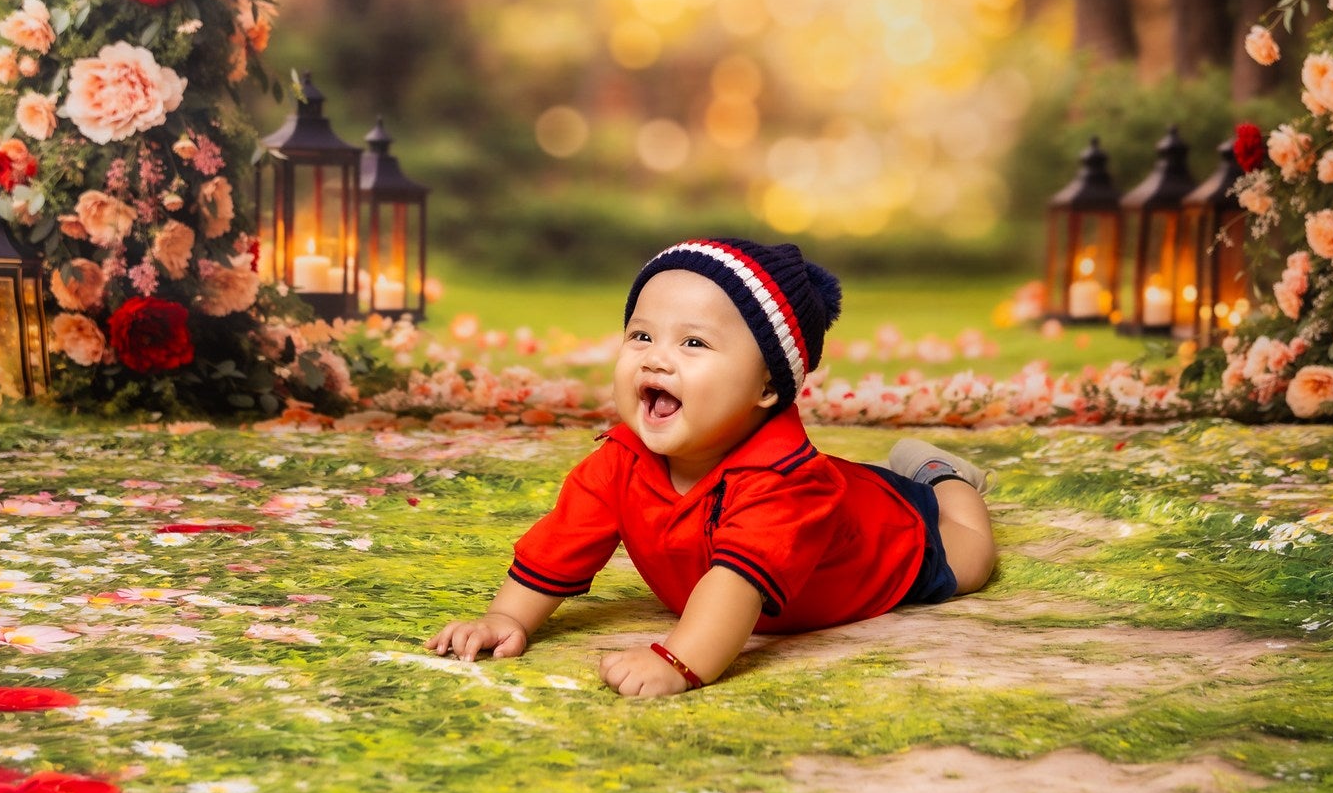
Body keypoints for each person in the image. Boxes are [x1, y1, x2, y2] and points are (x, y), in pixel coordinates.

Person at [424, 237, 998, 697]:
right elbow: (559, 544)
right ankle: (911, 475)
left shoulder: (782, 483)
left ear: (768, 385)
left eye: (693, 343)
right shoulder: (619, 462)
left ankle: (939, 474)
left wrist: (680, 661)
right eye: (641, 335)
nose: (655, 356)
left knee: (971, 555)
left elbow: (735, 585)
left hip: (896, 540)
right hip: (845, 493)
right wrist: (509, 617)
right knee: (860, 487)